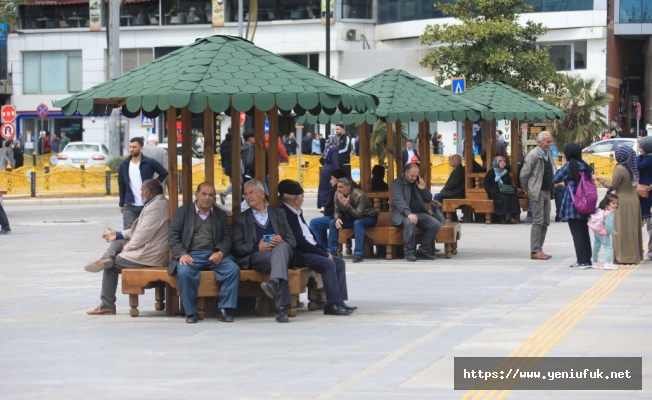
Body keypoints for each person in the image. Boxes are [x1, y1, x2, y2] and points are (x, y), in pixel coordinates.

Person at [85, 180, 169, 315]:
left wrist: (128, 247)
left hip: (149, 255)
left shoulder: (156, 207)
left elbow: (142, 235)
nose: (141, 194)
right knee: (118, 242)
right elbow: (136, 231)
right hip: (149, 247)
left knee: (110, 267)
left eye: (142, 191)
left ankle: (107, 304)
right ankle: (106, 258)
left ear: (148, 192)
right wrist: (117, 234)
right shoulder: (156, 203)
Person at [279, 180, 356, 316]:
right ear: (296, 199)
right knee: (328, 263)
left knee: (339, 262)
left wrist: (324, 250)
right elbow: (300, 242)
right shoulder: (285, 213)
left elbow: (310, 236)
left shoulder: (296, 211)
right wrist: (323, 254)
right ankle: (331, 305)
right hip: (299, 253)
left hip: (309, 249)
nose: (302, 200)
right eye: (302, 198)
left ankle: (339, 300)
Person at [168, 182, 240, 323]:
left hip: (213, 254)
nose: (207, 198)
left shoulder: (219, 214)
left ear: (214, 197)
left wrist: (220, 252)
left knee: (232, 269)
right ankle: (190, 312)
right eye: (204, 194)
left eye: (211, 195)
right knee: (184, 272)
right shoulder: (183, 212)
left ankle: (225, 309)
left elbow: (227, 238)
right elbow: (173, 237)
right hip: (190, 255)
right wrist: (182, 254)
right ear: (196, 194)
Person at [232, 179, 297, 323]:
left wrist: (281, 240)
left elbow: (292, 241)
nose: (248, 197)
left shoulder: (278, 213)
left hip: (281, 253)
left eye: (251, 193)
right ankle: (281, 308)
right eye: (245, 194)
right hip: (258, 257)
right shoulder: (241, 219)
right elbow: (237, 247)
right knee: (280, 265)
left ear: (262, 194)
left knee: (281, 251)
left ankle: (274, 283)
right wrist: (257, 247)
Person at [596, 146, 643, 264]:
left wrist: (599, 179)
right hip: (633, 199)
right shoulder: (632, 167)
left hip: (622, 200)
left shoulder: (620, 168)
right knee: (631, 228)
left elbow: (613, 186)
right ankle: (634, 255)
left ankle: (624, 257)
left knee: (621, 228)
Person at [553, 143, 594, 268]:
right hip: (585, 203)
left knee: (576, 233)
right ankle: (587, 259)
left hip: (573, 204)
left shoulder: (570, 166)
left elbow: (556, 179)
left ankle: (581, 260)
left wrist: (564, 164)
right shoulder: (585, 166)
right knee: (584, 231)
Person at [391, 163, 440, 261]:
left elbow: (428, 199)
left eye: (416, 175)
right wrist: (409, 214)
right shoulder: (397, 183)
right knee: (410, 222)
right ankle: (409, 252)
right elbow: (399, 201)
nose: (414, 178)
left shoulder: (417, 183)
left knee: (435, 224)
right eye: (412, 175)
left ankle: (423, 250)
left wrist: (423, 189)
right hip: (402, 214)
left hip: (419, 213)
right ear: (405, 172)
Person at [520, 131, 556, 260]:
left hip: (547, 190)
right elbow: (524, 174)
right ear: (540, 142)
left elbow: (552, 168)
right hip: (537, 191)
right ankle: (535, 250)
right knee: (538, 221)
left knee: (546, 221)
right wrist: (526, 190)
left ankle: (540, 248)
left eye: (550, 142)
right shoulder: (533, 155)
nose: (550, 144)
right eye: (547, 142)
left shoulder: (549, 153)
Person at [118, 137, 168, 229]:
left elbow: (164, 172)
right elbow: (122, 185)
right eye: (130, 147)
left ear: (141, 148)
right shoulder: (124, 164)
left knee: (146, 232)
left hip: (147, 205)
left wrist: (154, 184)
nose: (132, 149)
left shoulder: (149, 162)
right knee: (128, 232)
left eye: (134, 147)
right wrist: (121, 204)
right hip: (130, 205)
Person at [327, 178, 378, 263]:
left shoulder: (359, 195)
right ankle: (331, 253)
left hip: (368, 217)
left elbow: (359, 214)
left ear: (348, 187)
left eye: (341, 187)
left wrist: (346, 205)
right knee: (332, 223)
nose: (338, 189)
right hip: (351, 217)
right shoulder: (337, 194)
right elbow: (337, 210)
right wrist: (337, 218)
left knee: (358, 222)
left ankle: (358, 254)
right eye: (337, 187)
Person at [310, 169, 347, 248]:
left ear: (338, 179)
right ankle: (325, 248)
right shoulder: (340, 188)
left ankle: (322, 249)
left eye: (332, 178)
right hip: (336, 216)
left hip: (339, 217)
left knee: (314, 223)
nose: (330, 181)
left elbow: (335, 207)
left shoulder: (338, 190)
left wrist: (325, 213)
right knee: (319, 222)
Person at [484, 155, 521, 224]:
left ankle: (513, 216)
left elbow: (508, 183)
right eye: (500, 161)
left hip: (505, 190)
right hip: (495, 192)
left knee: (513, 197)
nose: (503, 162)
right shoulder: (492, 171)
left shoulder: (505, 172)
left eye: (504, 161)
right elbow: (486, 183)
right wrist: (491, 190)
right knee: (504, 198)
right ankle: (503, 217)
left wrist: (513, 190)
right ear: (496, 162)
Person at [588, 192, 619, 270]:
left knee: (596, 246)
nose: (615, 205)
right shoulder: (609, 213)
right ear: (608, 203)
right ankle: (608, 263)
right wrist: (614, 233)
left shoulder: (601, 209)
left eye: (616, 203)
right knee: (608, 247)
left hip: (596, 231)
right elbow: (608, 227)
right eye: (613, 203)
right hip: (603, 233)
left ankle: (595, 262)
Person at [637, 136, 652, 260]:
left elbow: (639, 166)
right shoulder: (646, 157)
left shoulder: (650, 158)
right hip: (645, 194)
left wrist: (638, 157)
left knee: (650, 225)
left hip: (649, 195)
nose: (639, 149)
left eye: (641, 147)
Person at [317, 135, 340, 209]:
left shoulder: (327, 148)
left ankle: (322, 204)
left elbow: (322, 159)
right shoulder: (335, 149)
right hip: (330, 170)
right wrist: (338, 172)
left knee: (323, 187)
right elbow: (335, 161)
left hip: (324, 169)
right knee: (330, 188)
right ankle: (328, 205)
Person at [219, 132, 233, 205]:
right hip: (235, 165)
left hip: (227, 165)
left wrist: (223, 166)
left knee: (232, 182)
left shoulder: (223, 143)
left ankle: (237, 199)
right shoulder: (235, 142)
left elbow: (222, 156)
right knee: (237, 182)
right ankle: (224, 194)